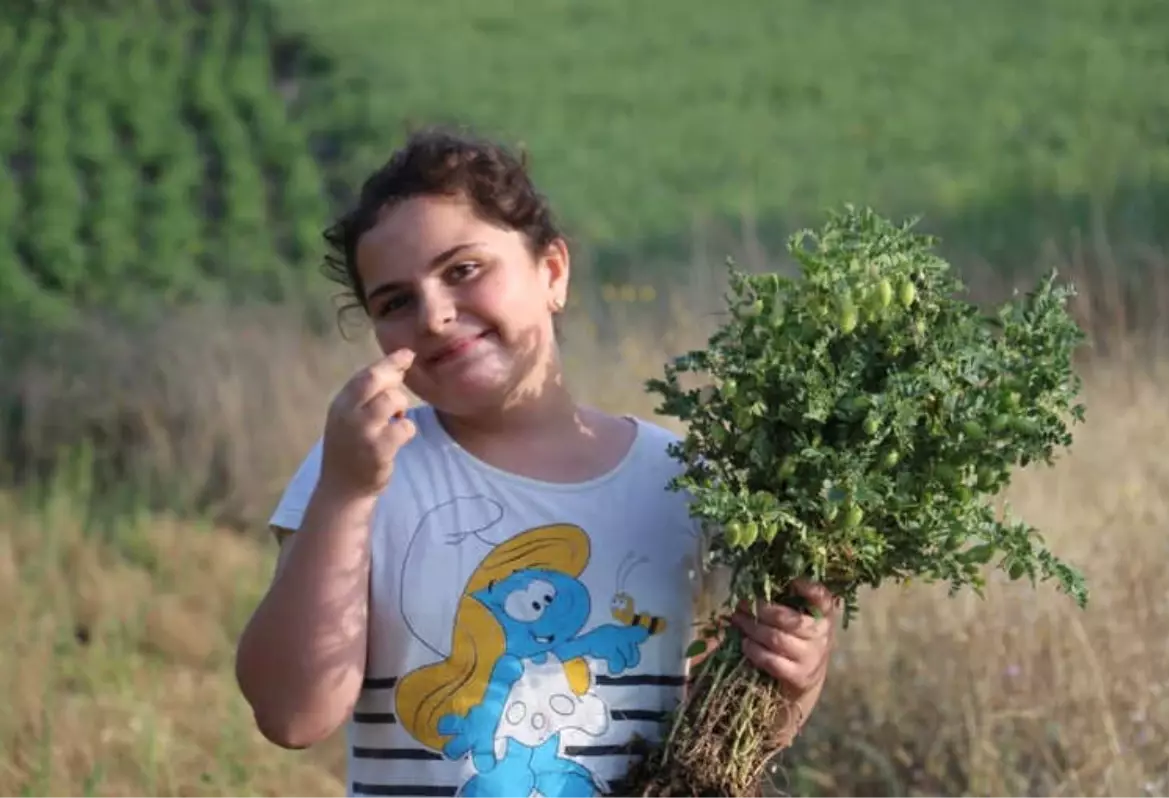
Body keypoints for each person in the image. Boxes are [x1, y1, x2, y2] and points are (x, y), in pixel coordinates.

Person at [234, 126, 837, 798]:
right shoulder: (363, 471)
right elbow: (293, 715)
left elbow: (749, 728)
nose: (434, 316)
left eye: (463, 270)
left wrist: (797, 675)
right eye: (396, 302)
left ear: (552, 272)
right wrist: (344, 495)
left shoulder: (682, 480)